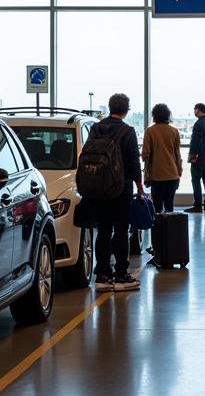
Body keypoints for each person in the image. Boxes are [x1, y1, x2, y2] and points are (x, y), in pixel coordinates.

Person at [78, 92, 144, 291]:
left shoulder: (96, 128)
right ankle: (122, 275)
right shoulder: (127, 131)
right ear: (126, 110)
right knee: (121, 230)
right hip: (120, 189)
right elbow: (134, 162)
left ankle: (102, 275)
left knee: (103, 231)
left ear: (110, 107)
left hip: (97, 188)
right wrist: (139, 186)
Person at [142, 103, 182, 213]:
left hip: (156, 175)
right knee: (169, 207)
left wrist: (146, 175)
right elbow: (177, 155)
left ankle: (158, 229)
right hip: (172, 174)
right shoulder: (174, 131)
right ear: (167, 115)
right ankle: (170, 229)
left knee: (157, 208)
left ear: (154, 115)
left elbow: (146, 155)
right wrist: (179, 172)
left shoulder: (150, 131)